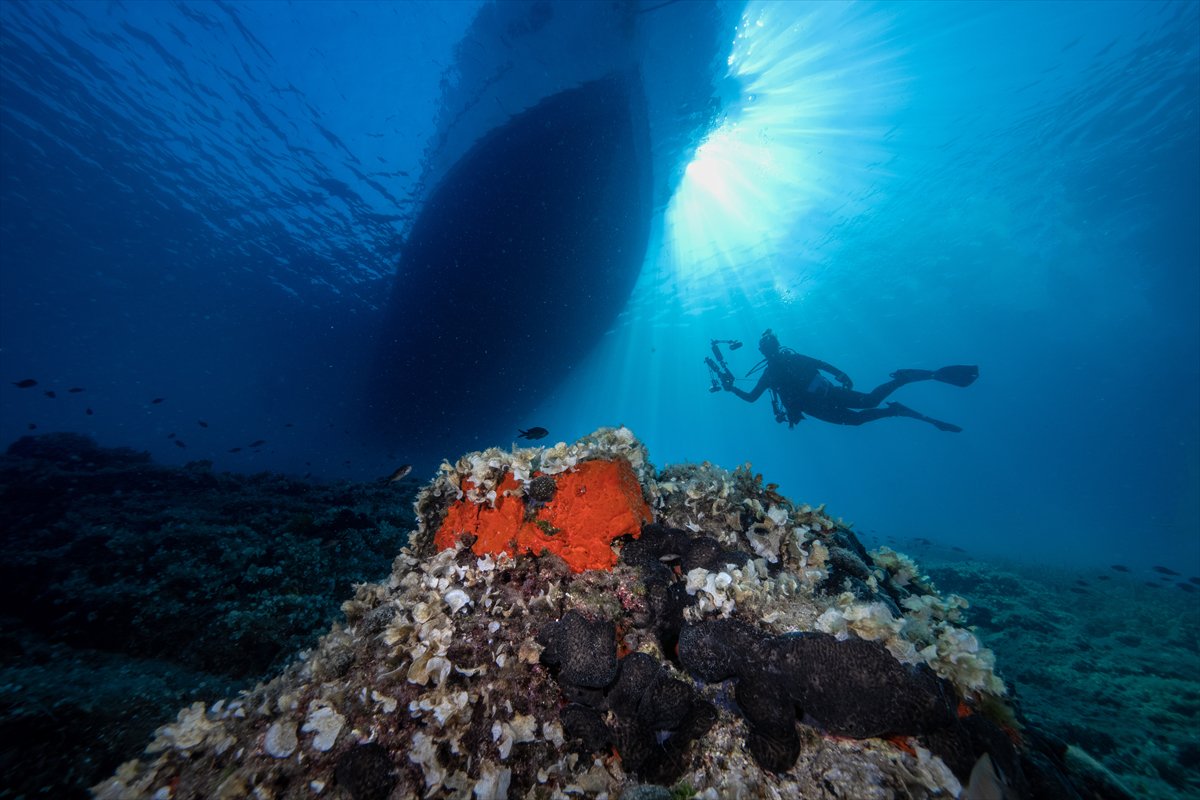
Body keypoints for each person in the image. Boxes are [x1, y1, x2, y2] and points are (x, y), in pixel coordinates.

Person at [718, 329, 978, 432]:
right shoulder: (792, 359)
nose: (770, 353)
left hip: (818, 403)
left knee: (861, 414)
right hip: (826, 395)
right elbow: (821, 364)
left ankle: (897, 403)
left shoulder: (772, 371)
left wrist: (731, 389)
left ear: (765, 352)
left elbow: (751, 398)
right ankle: (902, 385)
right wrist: (841, 374)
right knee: (866, 406)